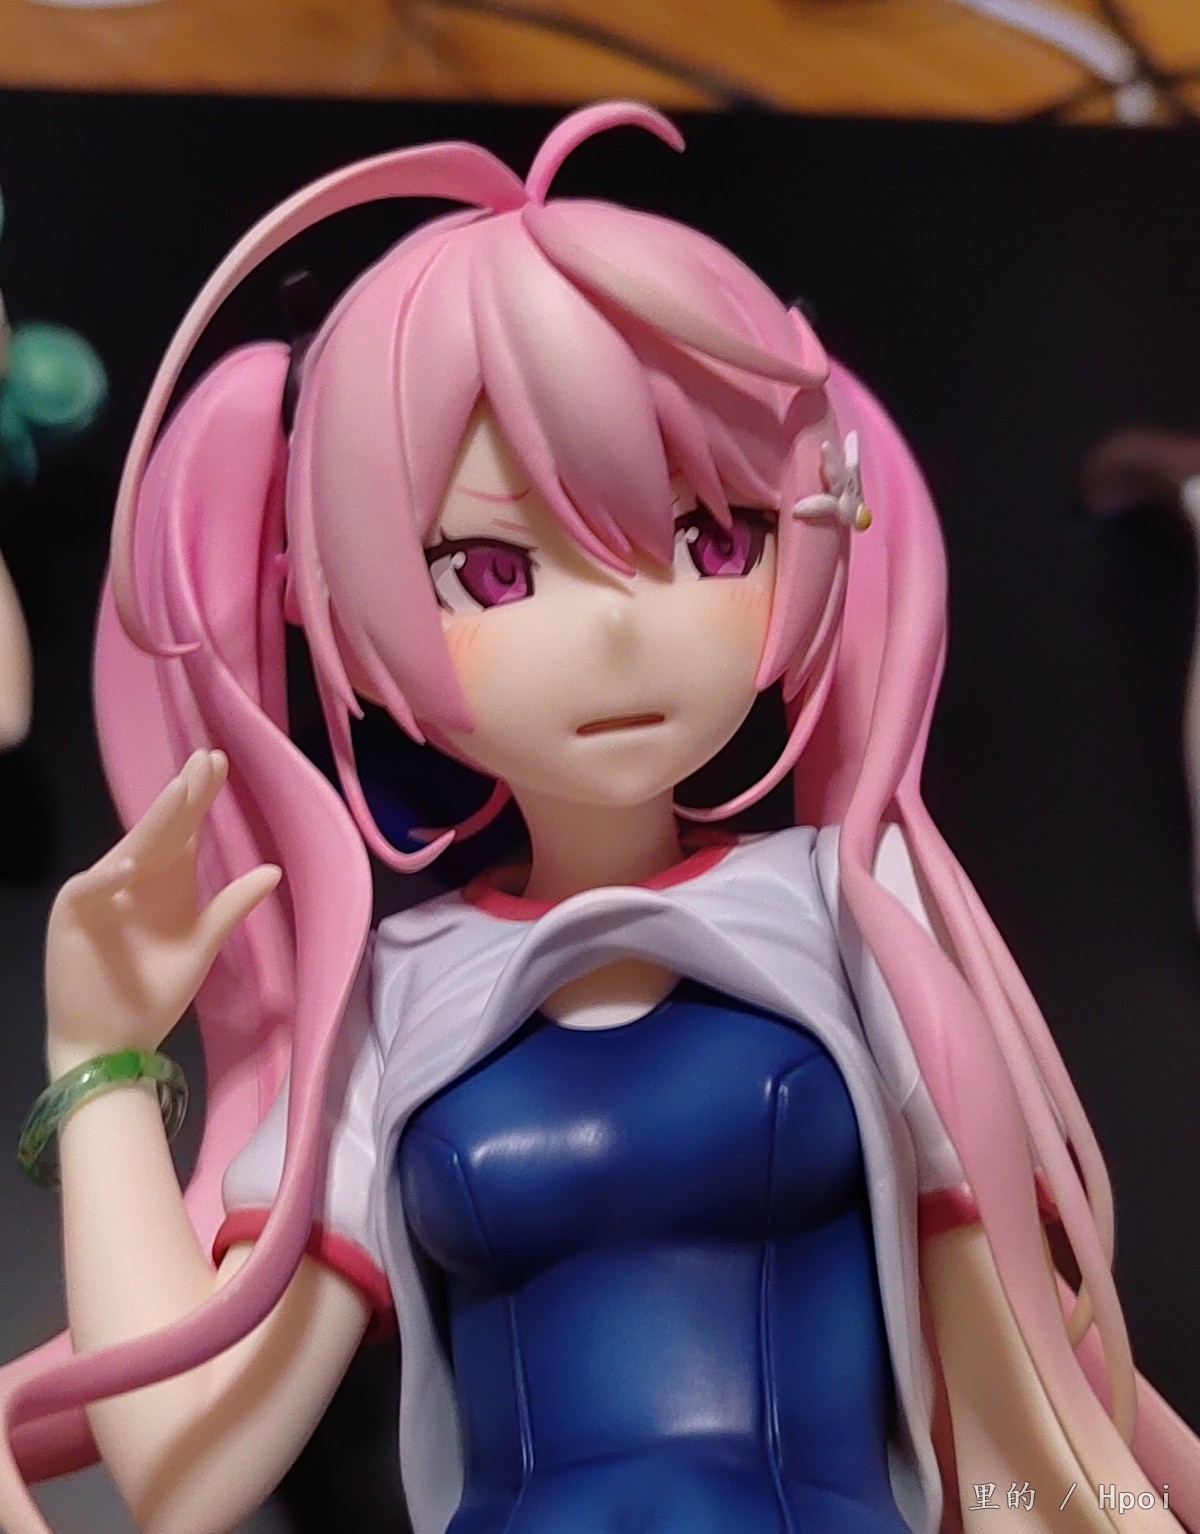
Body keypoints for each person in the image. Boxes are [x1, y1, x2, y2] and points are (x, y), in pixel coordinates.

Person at [0, 101, 1196, 1534]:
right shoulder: (395, 1001)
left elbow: (1014, 1401)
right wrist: (100, 1056)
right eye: (493, 572)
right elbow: (182, 1469)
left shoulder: (854, 917)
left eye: (710, 539)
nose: (625, 628)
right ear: (344, 599)